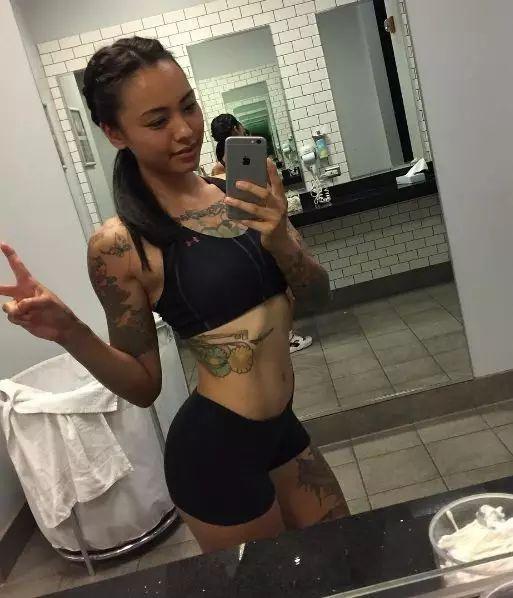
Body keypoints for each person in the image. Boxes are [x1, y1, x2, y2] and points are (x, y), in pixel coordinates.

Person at [0, 37, 347, 553]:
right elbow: (143, 387)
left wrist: (280, 238)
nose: (185, 130)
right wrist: (69, 331)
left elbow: (318, 298)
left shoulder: (242, 196)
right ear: (114, 132)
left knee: (348, 558)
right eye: (158, 120)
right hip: (215, 454)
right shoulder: (120, 245)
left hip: (283, 430)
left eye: (188, 106)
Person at [210, 113, 313, 354]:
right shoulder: (261, 161)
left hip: (242, 231)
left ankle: (277, 339)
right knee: (283, 286)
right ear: (237, 128)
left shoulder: (217, 168)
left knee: (267, 287)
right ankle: (287, 337)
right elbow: (280, 202)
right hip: (266, 226)